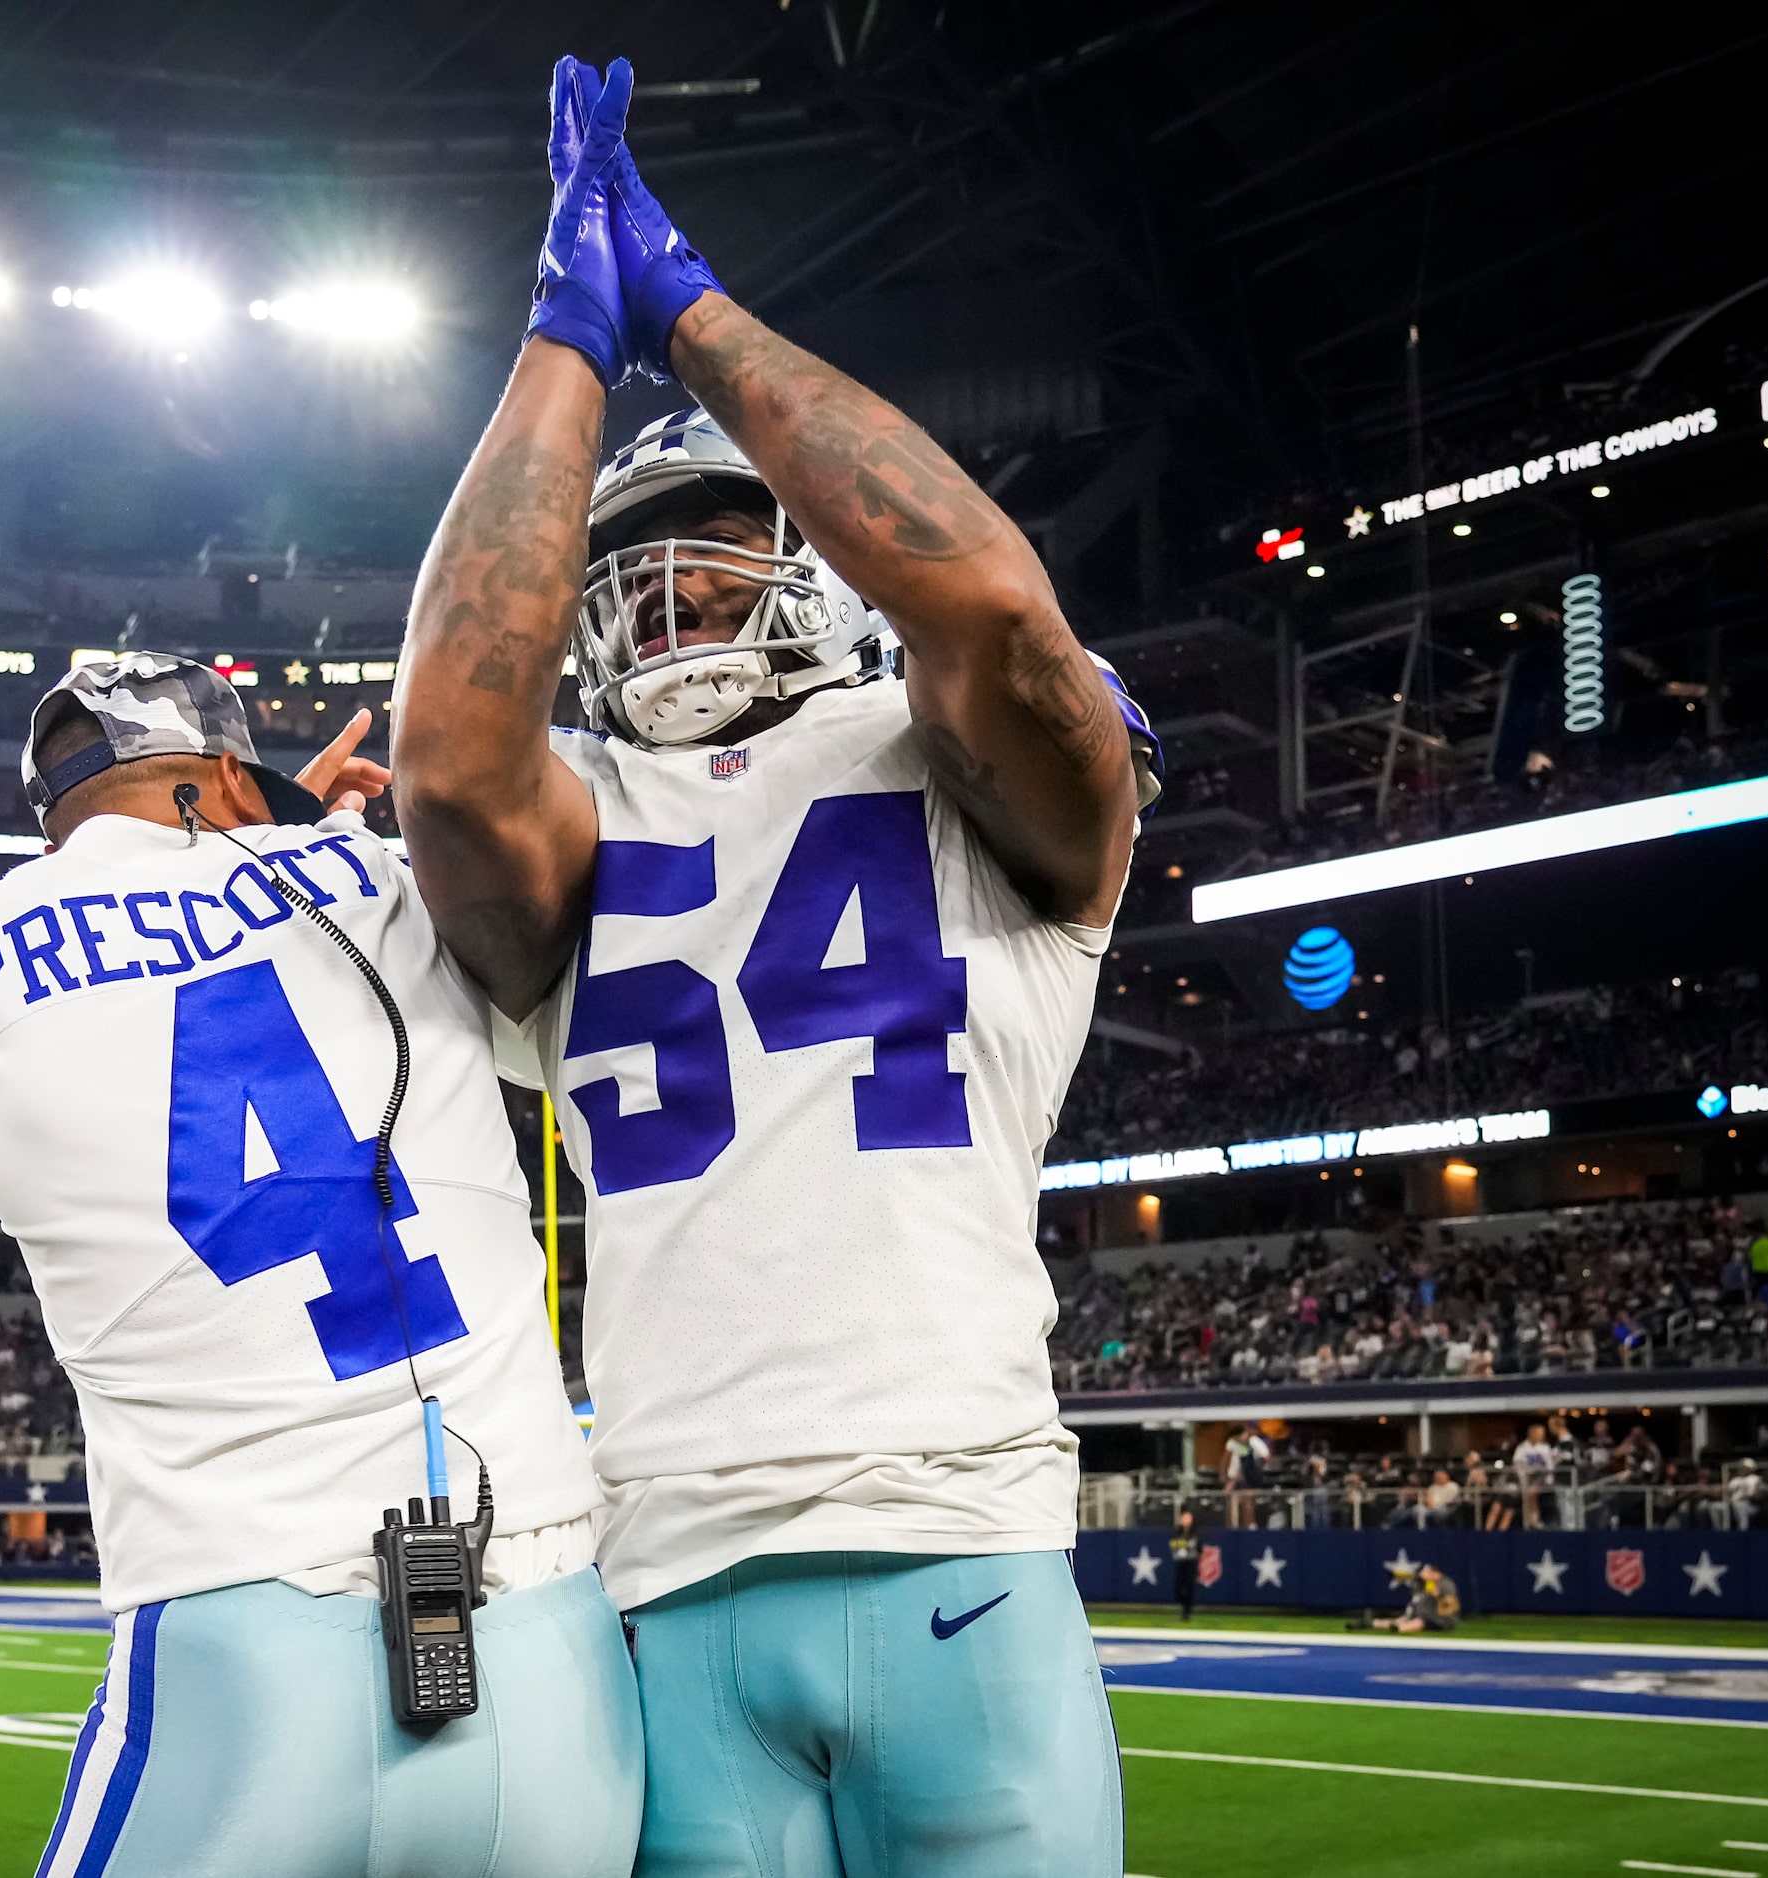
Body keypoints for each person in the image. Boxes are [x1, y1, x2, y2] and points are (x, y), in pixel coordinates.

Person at [392, 55, 1156, 1875]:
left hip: (947, 1533)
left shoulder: (961, 752)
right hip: (659, 1563)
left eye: (717, 560)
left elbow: (979, 600)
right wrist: (561, 344)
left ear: (816, 562)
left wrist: (692, 316)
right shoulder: (574, 819)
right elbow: (440, 753)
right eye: (632, 572)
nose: (663, 599)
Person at [0, 654, 642, 1877]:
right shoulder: (373, 881)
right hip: (549, 1634)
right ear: (229, 776)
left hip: (240, 1644)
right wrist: (298, 831)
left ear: (54, 812)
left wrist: (242, 838)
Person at [1168, 1508, 1202, 1623]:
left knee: (1190, 1587)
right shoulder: (1177, 1531)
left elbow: (1199, 1548)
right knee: (1177, 1587)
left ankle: (1187, 1611)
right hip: (1180, 1562)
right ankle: (1182, 1603)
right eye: (1184, 1518)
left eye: (1188, 1518)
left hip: (1191, 1563)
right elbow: (1173, 1545)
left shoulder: (1196, 1533)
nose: (1185, 1520)